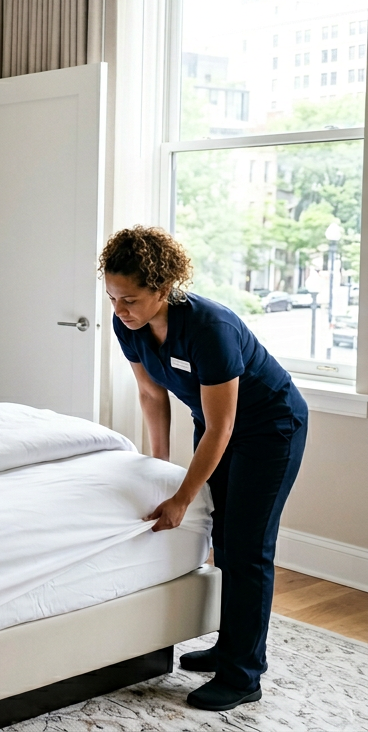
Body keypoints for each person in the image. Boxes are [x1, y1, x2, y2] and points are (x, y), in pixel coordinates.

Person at [100, 226, 307, 712]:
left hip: (270, 429)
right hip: (216, 427)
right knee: (224, 541)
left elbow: (223, 426)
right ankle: (228, 647)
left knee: (249, 548)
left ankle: (243, 674)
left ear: (162, 289)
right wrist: (159, 468)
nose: (119, 310)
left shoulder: (210, 328)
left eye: (129, 299)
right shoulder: (129, 326)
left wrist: (181, 497)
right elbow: (152, 396)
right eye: (112, 298)